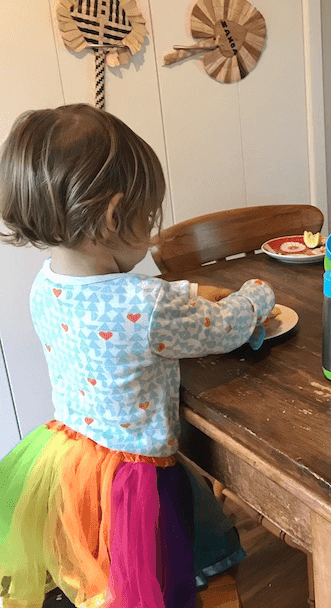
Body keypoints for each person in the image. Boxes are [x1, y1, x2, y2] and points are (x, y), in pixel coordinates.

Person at [0, 104, 276, 608]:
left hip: (76, 458)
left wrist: (188, 289)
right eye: (147, 220)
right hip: (138, 476)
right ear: (112, 217)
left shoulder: (48, 284)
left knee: (108, 567)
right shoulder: (146, 306)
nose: (150, 236)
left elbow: (128, 304)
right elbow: (224, 330)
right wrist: (257, 295)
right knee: (157, 570)